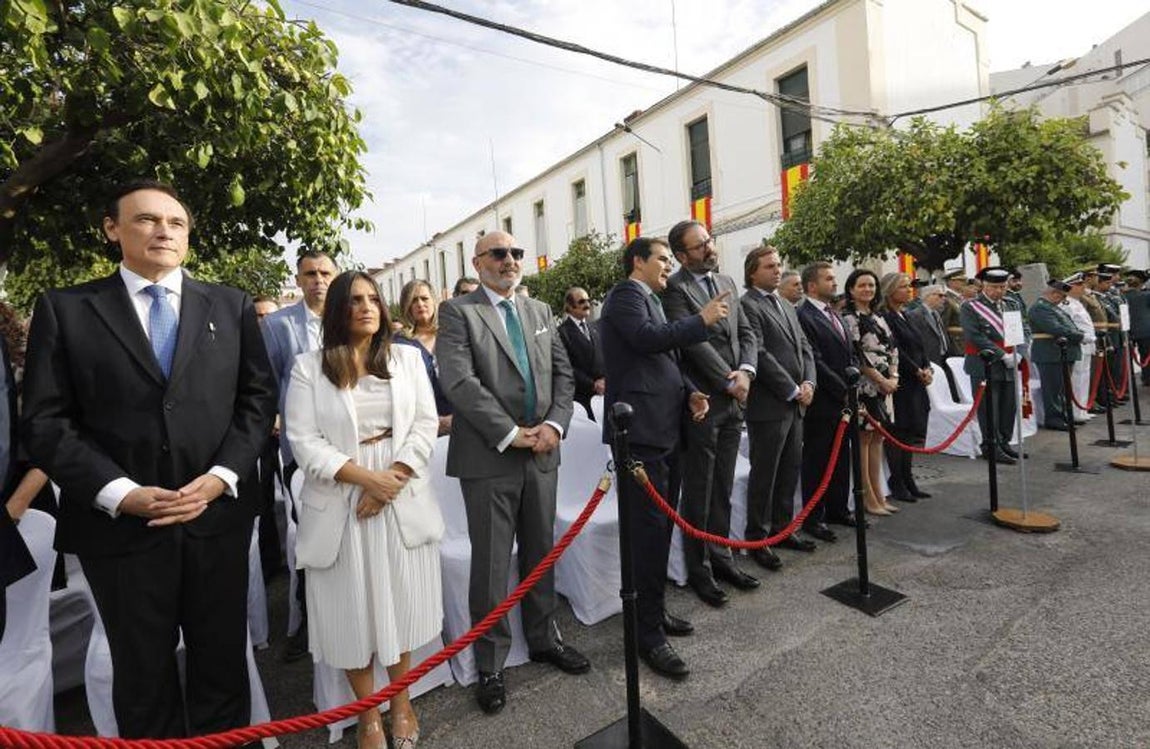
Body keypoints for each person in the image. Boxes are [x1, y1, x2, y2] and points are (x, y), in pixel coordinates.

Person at [22, 180, 277, 739]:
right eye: (146, 220)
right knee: (141, 677)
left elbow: (257, 404)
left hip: (215, 521)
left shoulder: (229, 305)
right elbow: (45, 422)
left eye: (176, 222)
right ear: (113, 229)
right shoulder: (67, 310)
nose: (164, 230)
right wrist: (118, 493)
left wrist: (219, 478)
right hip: (121, 533)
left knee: (221, 667)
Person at [285, 271, 442, 749]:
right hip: (340, 497)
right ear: (338, 309)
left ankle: (401, 702)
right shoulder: (308, 367)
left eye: (373, 298)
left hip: (399, 491)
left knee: (399, 603)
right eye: (355, 300)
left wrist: (389, 480)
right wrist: (365, 479)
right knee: (350, 612)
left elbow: (424, 423)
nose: (367, 307)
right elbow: (303, 441)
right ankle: (367, 715)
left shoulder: (407, 360)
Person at [437, 231, 589, 715]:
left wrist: (553, 426)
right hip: (489, 456)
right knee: (491, 565)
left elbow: (564, 376)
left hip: (543, 452)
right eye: (499, 254)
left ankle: (544, 638)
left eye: (517, 253)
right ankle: (492, 663)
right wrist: (510, 433)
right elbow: (460, 380)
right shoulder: (458, 313)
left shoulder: (540, 311)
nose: (510, 260)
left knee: (541, 551)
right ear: (479, 262)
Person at [599, 235, 723, 680]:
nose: (669, 266)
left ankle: (652, 614)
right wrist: (700, 320)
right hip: (640, 434)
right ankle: (646, 635)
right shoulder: (624, 296)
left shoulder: (651, 297)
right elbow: (647, 340)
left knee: (661, 529)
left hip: (665, 427)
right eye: (663, 259)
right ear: (638, 262)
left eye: (672, 260)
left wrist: (690, 393)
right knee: (647, 534)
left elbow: (665, 360)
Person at [663, 220, 761, 607]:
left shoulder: (728, 282)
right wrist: (727, 379)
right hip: (705, 401)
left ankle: (722, 558)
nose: (709, 248)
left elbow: (748, 332)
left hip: (737, 396)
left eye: (709, 240)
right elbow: (692, 343)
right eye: (699, 245)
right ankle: (699, 569)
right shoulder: (674, 290)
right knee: (700, 490)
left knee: (723, 485)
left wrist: (748, 373)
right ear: (682, 255)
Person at [263, 249, 339, 661]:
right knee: (310, 539)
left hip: (351, 448)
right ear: (299, 277)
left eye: (326, 272)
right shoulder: (277, 325)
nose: (318, 280)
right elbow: (269, 382)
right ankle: (308, 623)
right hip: (301, 453)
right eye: (310, 273)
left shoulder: (350, 316)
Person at [739, 248, 826, 564]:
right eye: (769, 266)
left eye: (778, 266)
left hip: (796, 403)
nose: (777, 271)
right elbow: (759, 353)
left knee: (789, 470)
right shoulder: (747, 305)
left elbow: (805, 347)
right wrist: (791, 389)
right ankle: (758, 539)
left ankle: (783, 528)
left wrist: (810, 384)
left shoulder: (787, 305)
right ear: (753, 272)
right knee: (766, 474)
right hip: (770, 405)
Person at [796, 263, 859, 528]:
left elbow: (849, 352)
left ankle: (838, 509)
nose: (835, 283)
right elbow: (815, 359)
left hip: (844, 398)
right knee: (818, 459)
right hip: (823, 400)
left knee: (841, 457)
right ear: (812, 285)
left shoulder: (835, 313)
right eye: (829, 279)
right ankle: (815, 517)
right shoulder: (804, 315)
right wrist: (841, 389)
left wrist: (852, 387)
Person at [842, 269, 901, 516]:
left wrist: (893, 377)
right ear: (852, 289)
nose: (868, 289)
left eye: (872, 285)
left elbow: (892, 348)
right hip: (866, 387)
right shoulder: (850, 318)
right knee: (864, 441)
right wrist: (880, 380)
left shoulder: (878, 317)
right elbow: (858, 355)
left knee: (879, 439)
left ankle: (879, 494)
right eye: (862, 285)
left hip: (885, 386)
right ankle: (868, 498)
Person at [879, 273, 933, 502]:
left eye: (909, 286)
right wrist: (916, 370)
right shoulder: (886, 317)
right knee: (898, 431)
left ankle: (908, 477)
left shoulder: (906, 315)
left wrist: (927, 367)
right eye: (903, 286)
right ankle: (897, 480)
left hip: (916, 381)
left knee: (910, 432)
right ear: (890, 291)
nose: (909, 290)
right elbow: (896, 350)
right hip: (901, 380)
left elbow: (920, 347)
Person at [959, 266, 1018, 465]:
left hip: (1010, 361)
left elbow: (1021, 329)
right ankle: (991, 446)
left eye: (1002, 287)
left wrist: (1020, 353)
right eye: (994, 287)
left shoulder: (1010, 304)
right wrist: (1002, 355)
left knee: (1008, 406)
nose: (999, 291)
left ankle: (1004, 442)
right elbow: (974, 335)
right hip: (984, 363)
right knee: (989, 408)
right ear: (984, 285)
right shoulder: (970, 307)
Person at [393, 280, 453, 435]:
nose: (420, 304)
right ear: (406, 306)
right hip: (421, 429)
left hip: (459, 422)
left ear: (434, 301)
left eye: (424, 298)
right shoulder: (399, 343)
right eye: (414, 300)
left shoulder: (452, 333)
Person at [1028, 278, 1083, 432]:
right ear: (1053, 293)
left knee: (1062, 387)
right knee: (1053, 388)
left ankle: (1064, 415)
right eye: (1062, 297)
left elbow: (1066, 326)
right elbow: (1056, 329)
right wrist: (1080, 336)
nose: (1063, 300)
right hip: (1050, 353)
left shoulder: (1052, 307)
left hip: (1060, 352)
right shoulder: (1040, 308)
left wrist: (1078, 334)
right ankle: (1054, 419)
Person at [556, 286, 605, 421]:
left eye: (588, 301)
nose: (587, 305)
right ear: (570, 307)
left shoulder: (595, 328)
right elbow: (565, 366)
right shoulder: (561, 333)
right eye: (582, 302)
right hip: (582, 399)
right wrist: (593, 384)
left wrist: (605, 380)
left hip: (604, 395)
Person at [908, 283, 961, 401]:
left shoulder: (936, 313)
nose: (944, 299)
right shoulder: (916, 315)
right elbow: (915, 342)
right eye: (940, 296)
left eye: (945, 296)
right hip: (929, 362)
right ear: (928, 296)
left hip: (943, 359)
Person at [1063, 274, 1097, 423]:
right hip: (1078, 344)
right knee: (1077, 378)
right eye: (1080, 285)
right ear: (1072, 287)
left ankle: (1083, 409)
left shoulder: (1077, 303)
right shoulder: (1066, 304)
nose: (1084, 288)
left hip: (1087, 344)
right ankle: (1076, 411)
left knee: (1084, 377)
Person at [939, 268, 966, 357]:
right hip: (955, 345)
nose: (964, 283)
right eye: (961, 280)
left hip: (964, 343)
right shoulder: (946, 300)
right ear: (951, 282)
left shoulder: (960, 298)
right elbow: (943, 325)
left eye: (964, 280)